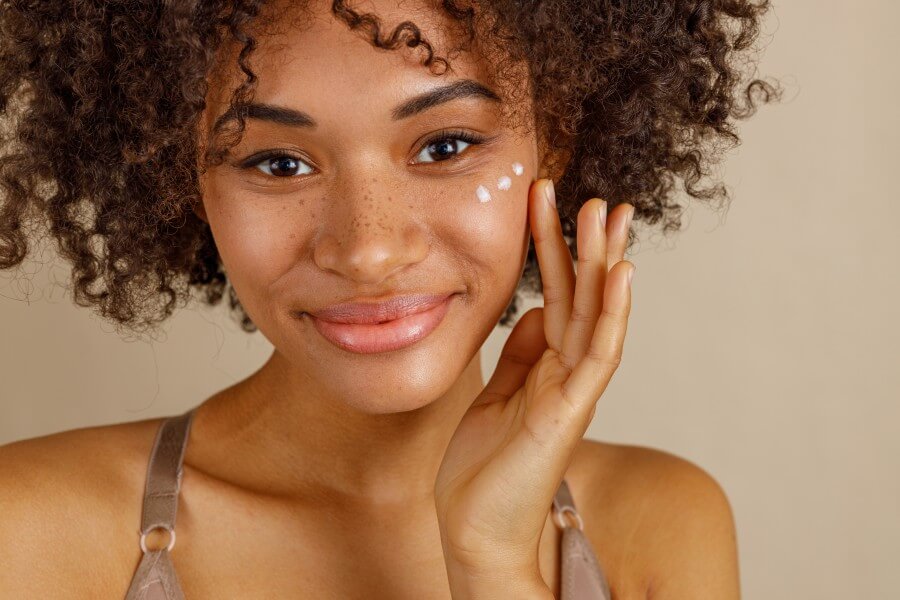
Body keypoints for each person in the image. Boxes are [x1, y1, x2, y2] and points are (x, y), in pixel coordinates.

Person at [0, 0, 780, 597]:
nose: (367, 251)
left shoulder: (661, 525)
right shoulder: (29, 533)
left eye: (445, 146)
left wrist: (494, 563)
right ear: (183, 181)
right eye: (277, 163)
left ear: (557, 141)